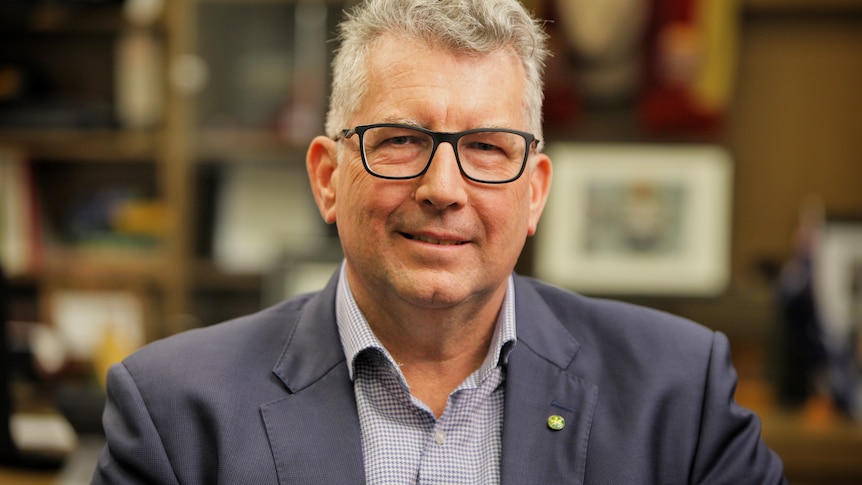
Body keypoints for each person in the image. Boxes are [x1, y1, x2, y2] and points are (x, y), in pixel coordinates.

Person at [92, 0, 787, 483]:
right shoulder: (175, 411)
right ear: (328, 178)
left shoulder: (678, 392)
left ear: (536, 190)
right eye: (401, 140)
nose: (444, 187)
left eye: (487, 147)